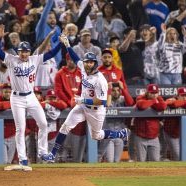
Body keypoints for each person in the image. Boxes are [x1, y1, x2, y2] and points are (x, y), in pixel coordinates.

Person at [41, 35, 130, 163]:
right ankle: (52, 154)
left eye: (91, 62)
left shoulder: (100, 80)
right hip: (82, 107)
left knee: (97, 135)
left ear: (95, 63)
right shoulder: (83, 67)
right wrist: (67, 45)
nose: (88, 64)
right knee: (65, 127)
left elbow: (102, 102)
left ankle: (120, 134)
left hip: (96, 110)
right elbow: (75, 57)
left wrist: (83, 100)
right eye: (87, 61)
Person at [0, 25, 63, 171]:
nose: (24, 54)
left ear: (29, 52)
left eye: (26, 51)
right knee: (21, 128)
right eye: (21, 52)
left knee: (43, 123)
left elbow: (51, 54)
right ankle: (23, 159)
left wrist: (61, 43)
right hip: (17, 98)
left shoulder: (34, 59)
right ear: (17, 52)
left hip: (31, 96)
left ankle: (43, 152)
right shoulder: (11, 59)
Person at [54, 53, 87, 162]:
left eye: (73, 60)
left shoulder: (82, 73)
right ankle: (61, 163)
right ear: (66, 60)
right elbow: (58, 91)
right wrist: (69, 102)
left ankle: (77, 164)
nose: (71, 62)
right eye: (69, 60)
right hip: (67, 110)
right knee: (64, 141)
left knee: (79, 142)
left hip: (80, 109)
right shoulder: (60, 74)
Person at [133, 84, 167, 161]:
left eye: (156, 93)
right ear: (147, 92)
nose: (154, 95)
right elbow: (141, 105)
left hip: (154, 137)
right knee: (141, 162)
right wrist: (154, 101)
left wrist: (152, 102)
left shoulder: (159, 98)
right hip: (141, 136)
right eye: (152, 93)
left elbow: (163, 106)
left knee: (155, 161)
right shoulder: (140, 97)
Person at [163, 87, 186, 161]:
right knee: (177, 156)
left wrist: (183, 102)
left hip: (183, 134)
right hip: (171, 133)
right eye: (182, 95)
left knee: (184, 157)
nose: (185, 97)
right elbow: (174, 104)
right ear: (178, 95)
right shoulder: (171, 99)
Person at [98, 82, 129, 163]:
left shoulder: (123, 99)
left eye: (118, 90)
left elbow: (131, 103)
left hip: (119, 136)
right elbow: (107, 105)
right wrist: (108, 90)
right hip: (108, 136)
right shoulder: (104, 99)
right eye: (113, 90)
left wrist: (123, 89)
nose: (116, 92)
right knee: (109, 160)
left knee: (117, 161)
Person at [0, 83, 17, 164]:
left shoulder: (16, 99)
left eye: (9, 92)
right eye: (6, 92)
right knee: (3, 162)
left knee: (9, 161)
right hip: (0, 136)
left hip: (13, 136)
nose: (8, 94)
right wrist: (11, 104)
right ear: (2, 92)